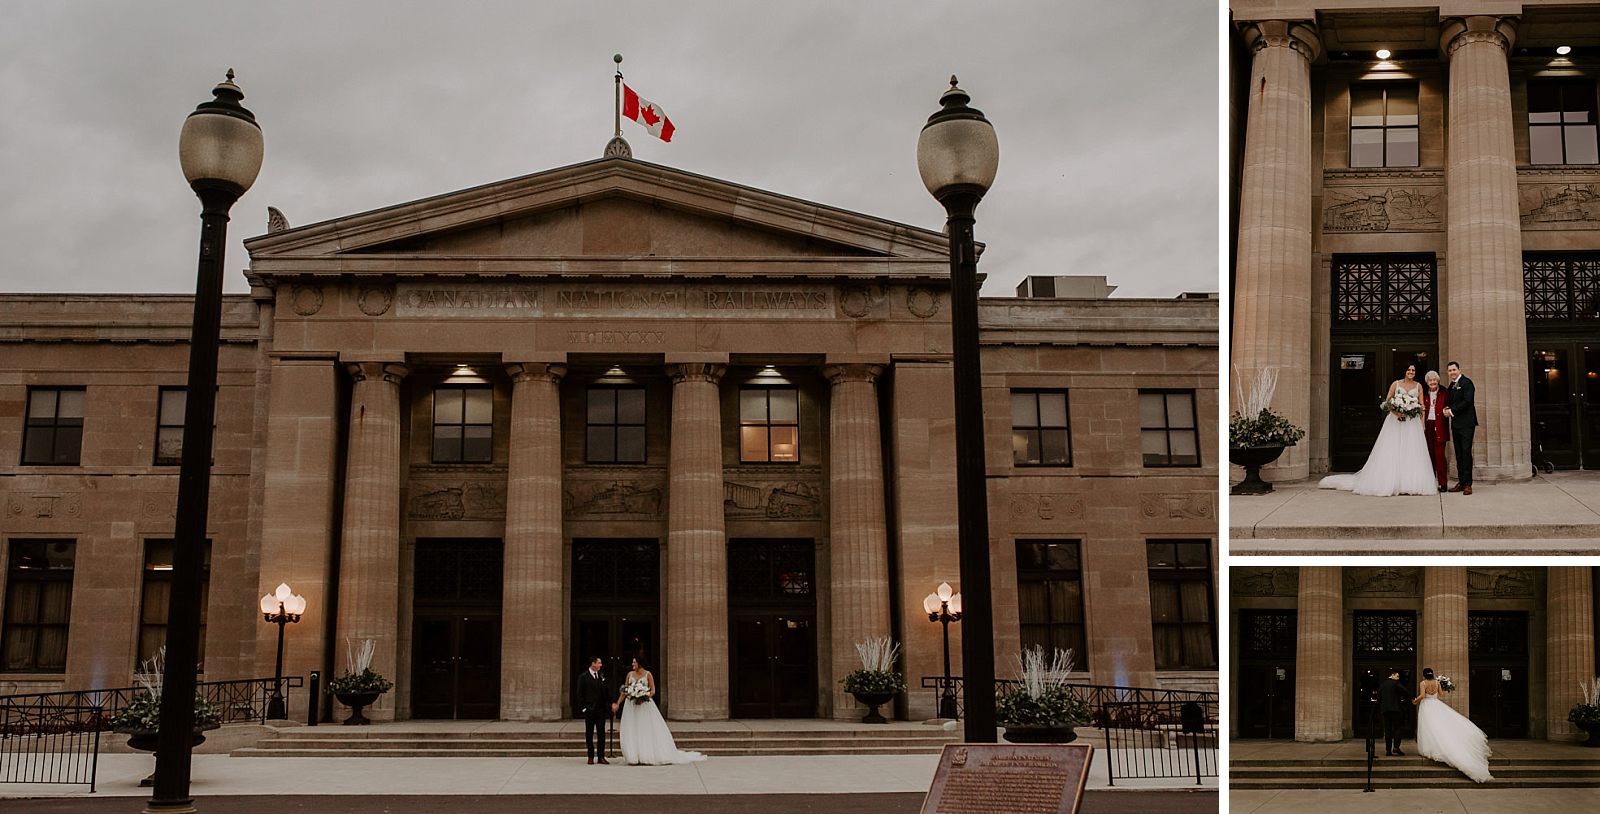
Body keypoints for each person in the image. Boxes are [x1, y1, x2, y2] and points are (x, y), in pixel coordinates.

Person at [1318, 364, 1437, 496]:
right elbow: (1387, 402)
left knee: (1411, 450)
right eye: (1409, 370)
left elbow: (1422, 406)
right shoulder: (1396, 384)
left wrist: (1422, 424)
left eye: (1413, 370)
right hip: (1395, 422)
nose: (1411, 372)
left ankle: (1409, 483)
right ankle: (1390, 481)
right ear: (1404, 371)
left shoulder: (1418, 386)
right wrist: (1397, 412)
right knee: (1392, 450)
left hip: (1411, 423)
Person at [611, 657, 705, 766]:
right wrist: (618, 703)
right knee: (632, 728)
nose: (632, 664)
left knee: (644, 729)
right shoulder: (630, 674)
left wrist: (642, 695)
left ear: (640, 663)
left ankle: (645, 755)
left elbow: (653, 691)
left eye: (634, 662)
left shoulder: (648, 674)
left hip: (644, 705)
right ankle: (633, 756)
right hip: (631, 706)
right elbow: (625, 691)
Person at [1413, 667, 1493, 783]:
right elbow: (1441, 695)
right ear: (1432, 674)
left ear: (1424, 675)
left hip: (1427, 706)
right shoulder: (1437, 682)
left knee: (1429, 728)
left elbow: (1422, 696)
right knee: (1439, 726)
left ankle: (1431, 749)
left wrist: (1415, 701)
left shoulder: (1423, 683)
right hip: (1436, 704)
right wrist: (1443, 687)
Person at [1443, 361, 1476, 494]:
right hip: (1456, 424)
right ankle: (1461, 482)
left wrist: (1451, 412)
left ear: (1459, 370)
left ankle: (1468, 484)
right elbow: (1451, 402)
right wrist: (1447, 408)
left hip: (1467, 424)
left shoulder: (1467, 383)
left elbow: (1468, 401)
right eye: (1450, 370)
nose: (1452, 372)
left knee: (1466, 453)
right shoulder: (1451, 385)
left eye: (1454, 370)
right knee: (1459, 453)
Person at [576, 656, 610, 765]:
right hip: (590, 710)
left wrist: (610, 703)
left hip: (601, 710)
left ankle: (601, 756)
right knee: (589, 734)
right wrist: (584, 708)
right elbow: (580, 694)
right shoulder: (583, 677)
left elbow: (606, 691)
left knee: (601, 734)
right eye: (599, 663)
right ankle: (590, 756)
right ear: (593, 663)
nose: (601, 665)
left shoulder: (601, 676)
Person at [1422, 371, 1450, 493]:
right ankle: (1431, 483)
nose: (1432, 382)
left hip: (1440, 426)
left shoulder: (1444, 392)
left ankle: (1443, 483)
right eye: (1430, 380)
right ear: (1427, 382)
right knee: (1429, 456)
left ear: (1438, 381)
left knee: (1439, 456)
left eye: (1434, 380)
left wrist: (1448, 409)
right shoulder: (1424, 394)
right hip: (1428, 426)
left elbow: (1449, 405)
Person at [1379, 669, 1409, 756]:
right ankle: (1396, 748)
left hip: (1385, 710)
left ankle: (1388, 750)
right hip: (1396, 710)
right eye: (1397, 676)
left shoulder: (1383, 684)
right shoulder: (1396, 683)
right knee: (1397, 728)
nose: (1398, 678)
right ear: (1392, 675)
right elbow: (1405, 691)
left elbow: (1379, 697)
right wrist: (1411, 698)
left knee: (1387, 730)